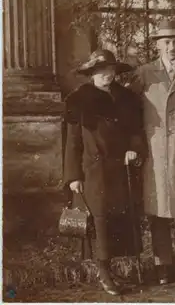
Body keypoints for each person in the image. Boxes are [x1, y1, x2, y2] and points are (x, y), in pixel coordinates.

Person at [128, 19, 175, 285]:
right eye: (167, 42)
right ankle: (162, 264)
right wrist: (136, 144)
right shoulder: (144, 74)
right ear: (158, 45)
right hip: (155, 152)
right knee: (157, 209)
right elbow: (130, 112)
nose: (172, 47)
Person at [63, 49, 145, 295]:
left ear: (115, 72)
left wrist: (134, 149)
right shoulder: (79, 100)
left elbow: (136, 131)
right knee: (99, 219)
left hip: (121, 168)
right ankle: (103, 271)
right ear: (91, 74)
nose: (105, 75)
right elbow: (72, 142)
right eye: (99, 71)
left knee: (119, 217)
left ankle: (116, 270)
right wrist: (73, 176)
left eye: (109, 70)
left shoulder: (127, 98)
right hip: (93, 170)